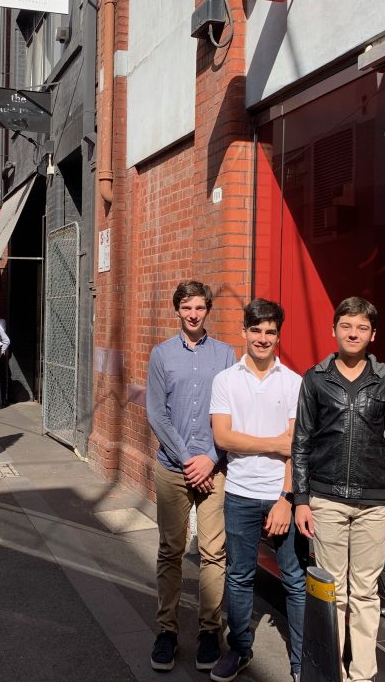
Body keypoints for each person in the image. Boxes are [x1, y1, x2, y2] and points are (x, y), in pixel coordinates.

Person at [292, 297, 385, 682]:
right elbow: (301, 443)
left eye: (361, 327)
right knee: (335, 593)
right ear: (334, 330)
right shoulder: (316, 378)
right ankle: (333, 673)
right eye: (347, 325)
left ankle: (363, 674)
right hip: (325, 500)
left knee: (364, 593)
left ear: (372, 334)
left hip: (374, 503)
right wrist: (301, 499)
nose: (353, 333)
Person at [208, 299, 306, 682]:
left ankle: (300, 661)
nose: (263, 338)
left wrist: (286, 498)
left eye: (270, 332)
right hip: (241, 492)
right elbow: (223, 436)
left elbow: (295, 449)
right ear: (244, 331)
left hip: (280, 494)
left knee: (295, 580)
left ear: (278, 336)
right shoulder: (226, 380)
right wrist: (273, 443)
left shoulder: (294, 382)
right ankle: (240, 649)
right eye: (256, 330)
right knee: (240, 575)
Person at [147, 281, 236, 673]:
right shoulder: (162, 355)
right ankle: (166, 630)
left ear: (208, 310)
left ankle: (208, 631)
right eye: (187, 307)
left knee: (215, 553)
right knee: (171, 550)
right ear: (178, 310)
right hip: (173, 468)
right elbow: (156, 414)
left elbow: (235, 412)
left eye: (200, 307)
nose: (194, 314)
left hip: (216, 469)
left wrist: (211, 458)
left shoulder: (226, 354)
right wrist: (189, 460)